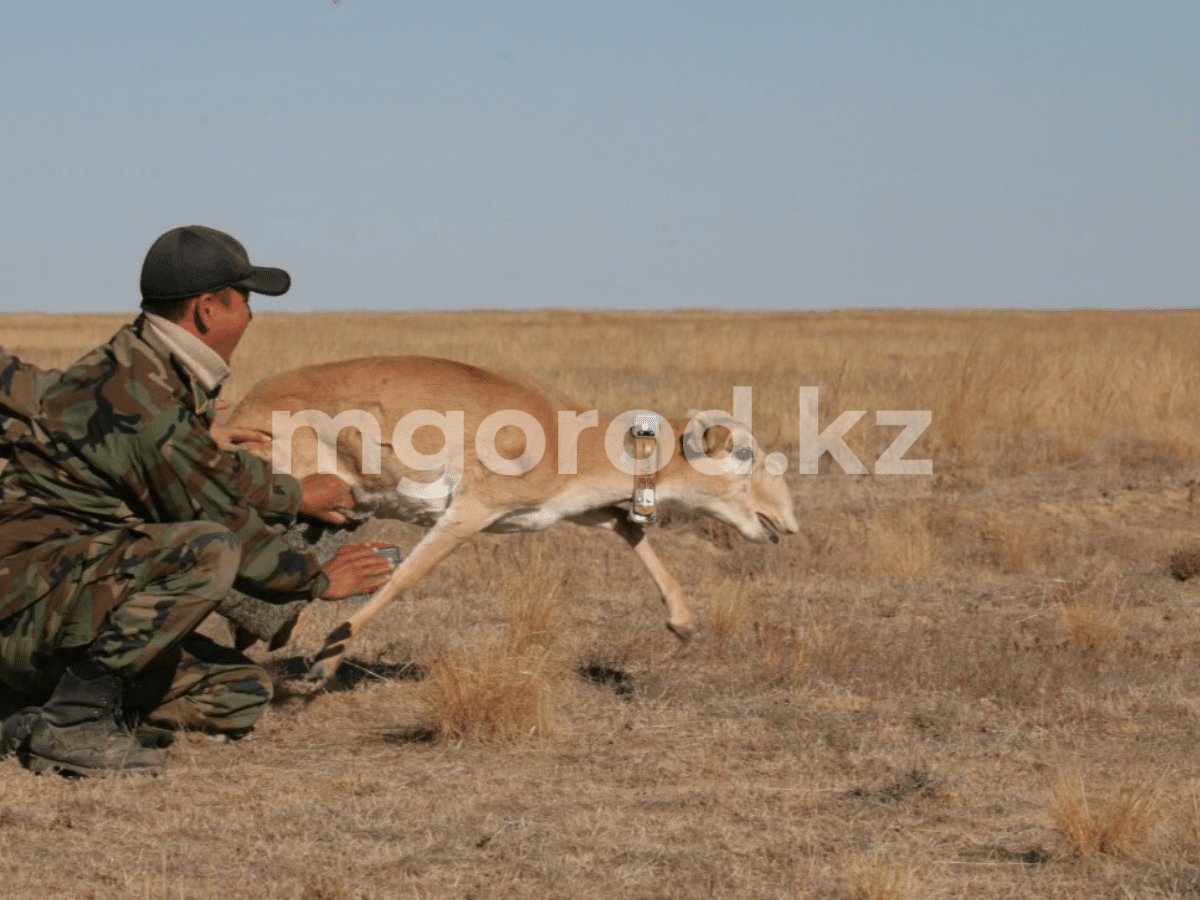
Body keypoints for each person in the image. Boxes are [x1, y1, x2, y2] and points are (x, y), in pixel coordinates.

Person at [0, 225, 395, 775]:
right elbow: (217, 514)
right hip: (26, 608)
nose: (252, 316)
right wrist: (320, 579)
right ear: (208, 310)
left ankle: (20, 713)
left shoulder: (138, 367)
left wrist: (287, 493)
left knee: (241, 692)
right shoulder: (149, 404)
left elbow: (193, 467)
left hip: (61, 604)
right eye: (245, 300)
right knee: (206, 549)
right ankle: (74, 722)